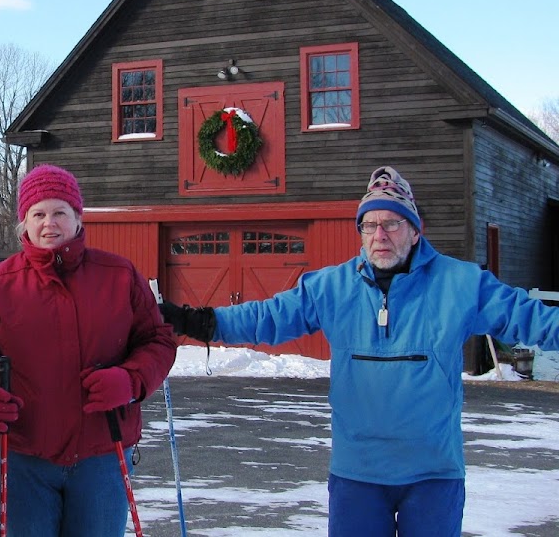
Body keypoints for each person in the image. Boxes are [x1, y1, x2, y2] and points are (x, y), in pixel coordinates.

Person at [161, 166, 559, 537]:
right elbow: (270, 317)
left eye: (391, 223)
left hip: (433, 473)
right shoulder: (332, 288)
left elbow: (529, 316)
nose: (379, 235)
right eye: (369, 225)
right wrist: (198, 322)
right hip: (358, 474)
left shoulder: (462, 285)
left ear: (415, 231)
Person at [0, 164, 178, 537]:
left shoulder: (119, 275)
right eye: (38, 214)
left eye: (59, 212)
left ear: (78, 217)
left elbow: (158, 340)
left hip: (102, 452)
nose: (49, 223)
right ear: (24, 222)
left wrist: (131, 380)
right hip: (19, 453)